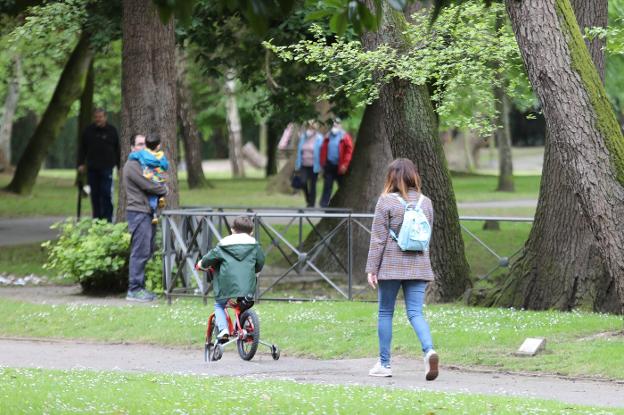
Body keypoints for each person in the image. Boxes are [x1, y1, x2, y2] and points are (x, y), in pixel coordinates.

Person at [365, 158, 439, 380]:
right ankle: (429, 350)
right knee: (416, 312)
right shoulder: (426, 202)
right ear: (414, 175)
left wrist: (372, 268)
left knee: (385, 312)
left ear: (392, 177)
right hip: (418, 265)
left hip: (390, 266)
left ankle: (385, 364)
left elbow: (378, 239)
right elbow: (427, 236)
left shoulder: (386, 202)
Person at [196, 216, 265, 340]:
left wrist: (200, 264)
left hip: (225, 286)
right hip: (247, 286)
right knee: (244, 303)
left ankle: (223, 331)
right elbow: (260, 262)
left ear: (232, 230)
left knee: (219, 305)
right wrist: (256, 271)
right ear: (251, 232)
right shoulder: (255, 246)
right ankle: (247, 326)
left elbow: (208, 259)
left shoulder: (223, 246)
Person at [123, 134, 168, 302]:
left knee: (147, 250)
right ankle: (134, 290)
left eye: (145, 144)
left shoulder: (144, 164)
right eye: (140, 144)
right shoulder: (132, 165)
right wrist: (163, 189)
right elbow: (149, 185)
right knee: (140, 251)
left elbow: (158, 179)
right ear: (132, 147)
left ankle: (139, 287)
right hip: (138, 212)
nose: (143, 147)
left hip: (148, 212)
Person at [77, 108, 120, 222]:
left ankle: (108, 218)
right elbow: (82, 148)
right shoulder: (88, 131)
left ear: (105, 117)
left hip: (107, 167)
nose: (98, 119)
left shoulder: (112, 131)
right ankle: (97, 218)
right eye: (96, 117)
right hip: (92, 167)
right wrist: (81, 163)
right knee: (95, 194)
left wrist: (119, 166)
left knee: (106, 193)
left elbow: (117, 149)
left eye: (100, 117)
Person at [128, 135, 169, 224]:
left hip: (149, 176)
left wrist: (130, 156)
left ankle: (154, 213)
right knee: (160, 186)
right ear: (158, 146)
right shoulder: (160, 155)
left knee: (152, 196)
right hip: (158, 177)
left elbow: (132, 156)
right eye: (140, 144)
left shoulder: (142, 154)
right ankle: (161, 198)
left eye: (144, 144)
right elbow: (165, 165)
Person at [319, 118, 353, 208]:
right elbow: (323, 150)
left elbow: (349, 152)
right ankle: (324, 205)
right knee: (327, 185)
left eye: (337, 124)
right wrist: (323, 163)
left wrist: (345, 164)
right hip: (329, 165)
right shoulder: (328, 136)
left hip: (340, 166)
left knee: (342, 186)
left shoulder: (345, 136)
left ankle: (344, 204)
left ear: (340, 125)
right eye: (333, 124)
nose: (335, 126)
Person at [295, 121, 323, 208]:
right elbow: (299, 151)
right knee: (303, 182)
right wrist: (297, 164)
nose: (310, 129)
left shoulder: (319, 138)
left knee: (313, 184)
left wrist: (321, 166)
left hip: (314, 166)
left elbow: (321, 152)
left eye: (312, 127)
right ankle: (308, 198)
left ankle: (311, 203)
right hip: (304, 164)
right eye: (309, 127)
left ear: (315, 128)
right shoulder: (303, 137)